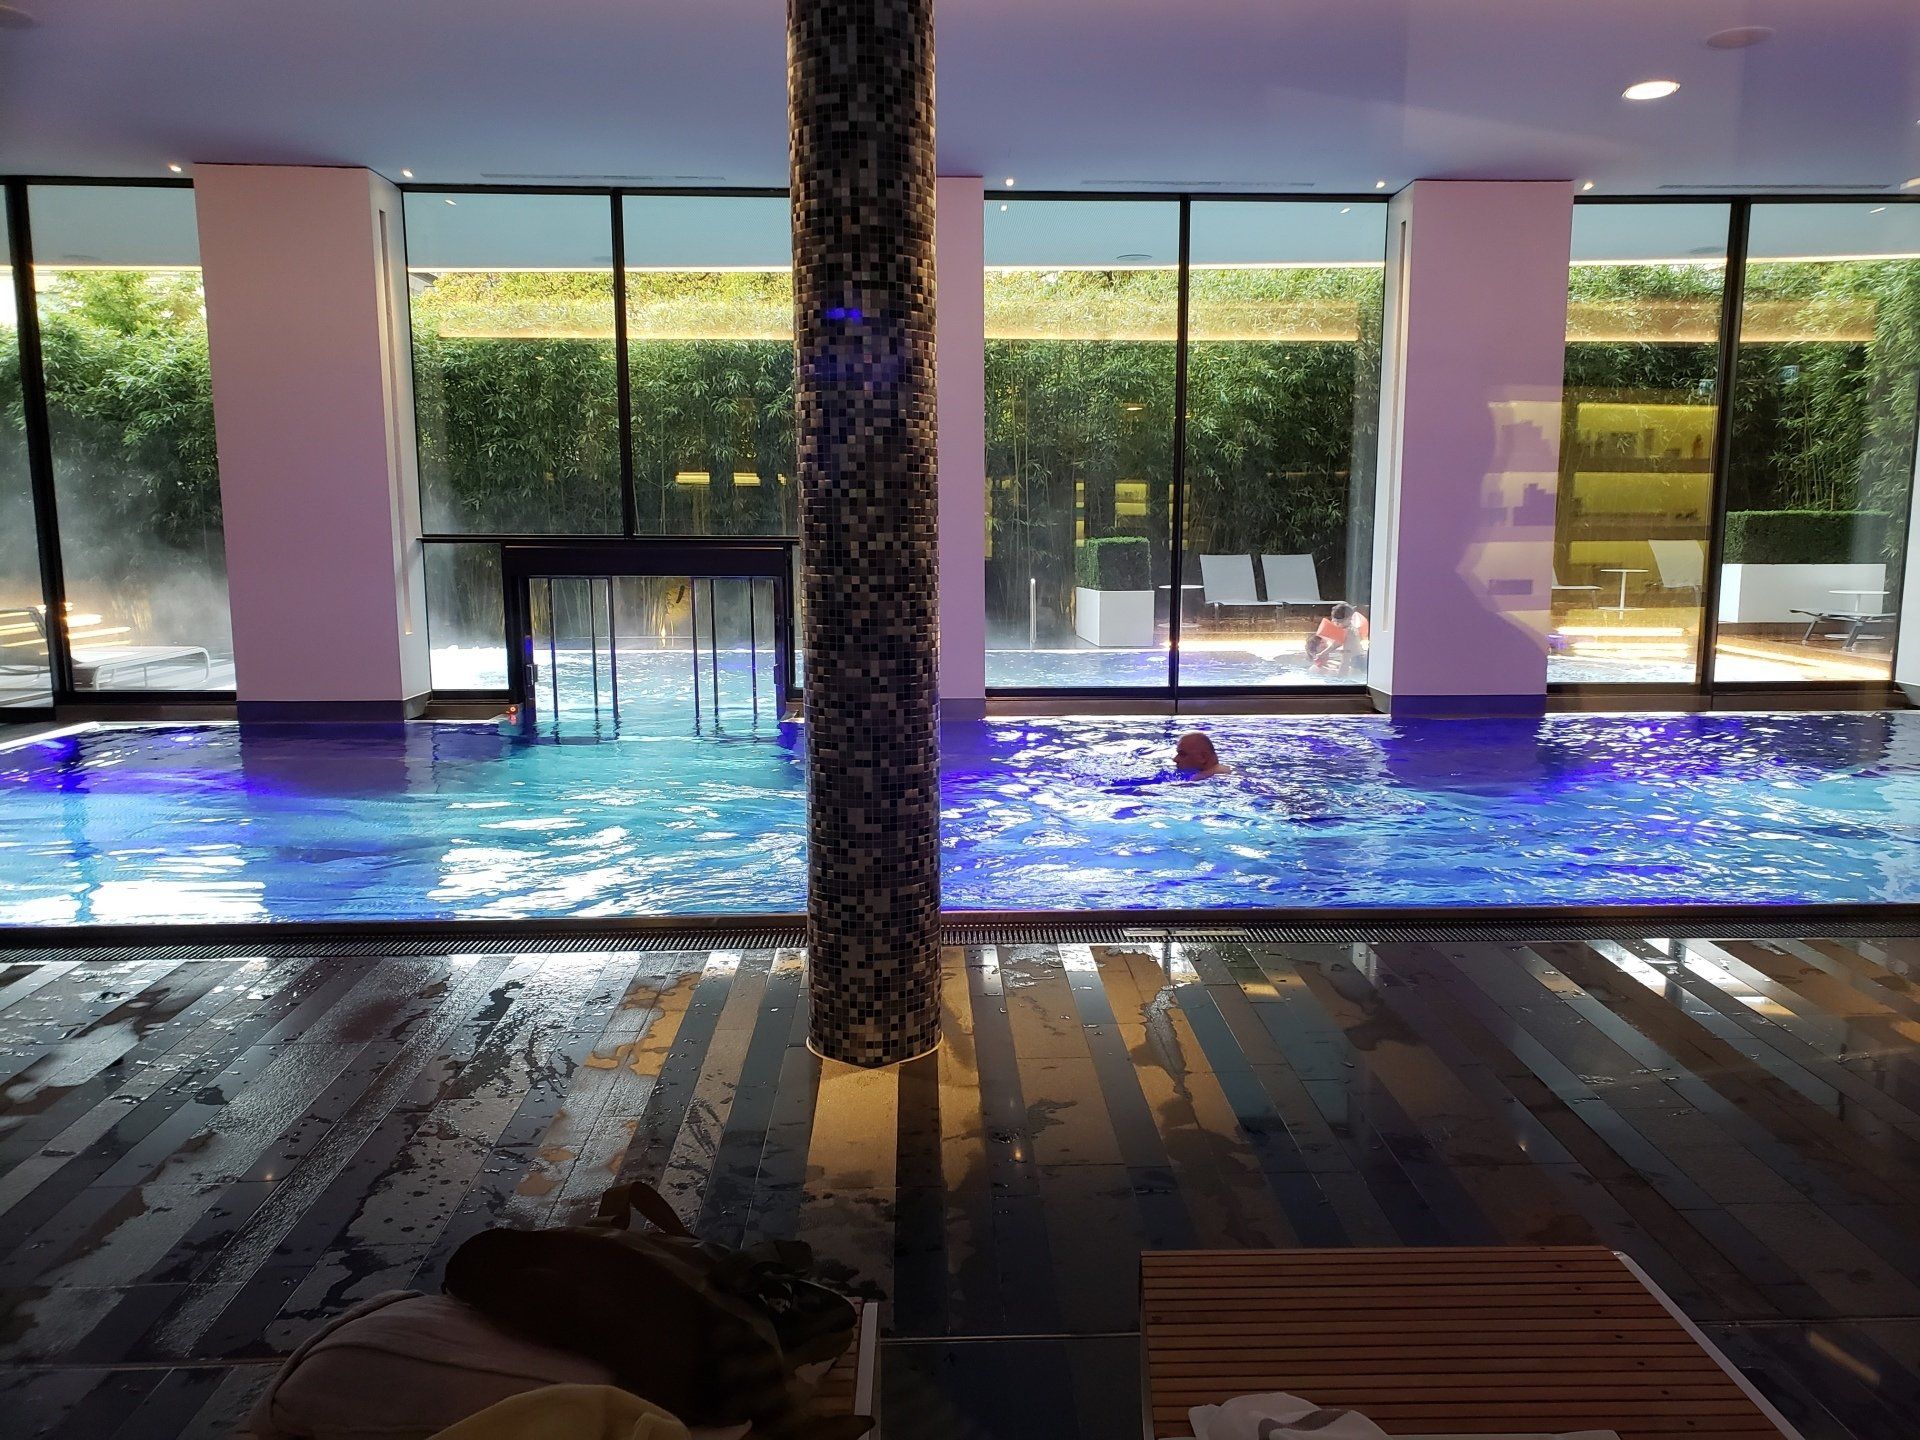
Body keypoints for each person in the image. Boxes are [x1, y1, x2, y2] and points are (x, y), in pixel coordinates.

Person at [1307, 602, 1369, 672]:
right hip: (1358, 659)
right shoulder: (1348, 629)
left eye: (1337, 622)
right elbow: (1336, 644)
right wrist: (1322, 653)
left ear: (1349, 619)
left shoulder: (1350, 634)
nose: (1335, 625)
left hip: (1357, 662)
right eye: (1334, 622)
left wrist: (1340, 678)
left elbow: (1346, 659)